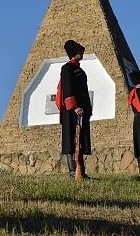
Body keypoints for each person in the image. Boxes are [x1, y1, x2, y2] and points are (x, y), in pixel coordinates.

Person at [56, 40, 92, 178]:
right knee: (72, 139)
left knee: (80, 140)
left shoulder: (79, 69)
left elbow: (84, 91)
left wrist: (87, 109)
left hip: (81, 109)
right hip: (72, 110)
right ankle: (73, 171)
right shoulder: (67, 68)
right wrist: (74, 106)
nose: (82, 54)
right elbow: (68, 88)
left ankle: (81, 171)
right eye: (80, 52)